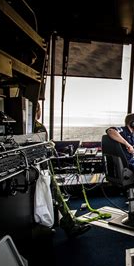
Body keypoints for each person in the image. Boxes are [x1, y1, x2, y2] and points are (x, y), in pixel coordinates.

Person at [33, 101, 90, 238]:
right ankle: (70, 225)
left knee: (53, 196)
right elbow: (44, 148)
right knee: (56, 194)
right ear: (38, 111)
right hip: (42, 168)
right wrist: (50, 144)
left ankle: (68, 222)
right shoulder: (38, 127)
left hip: (33, 169)